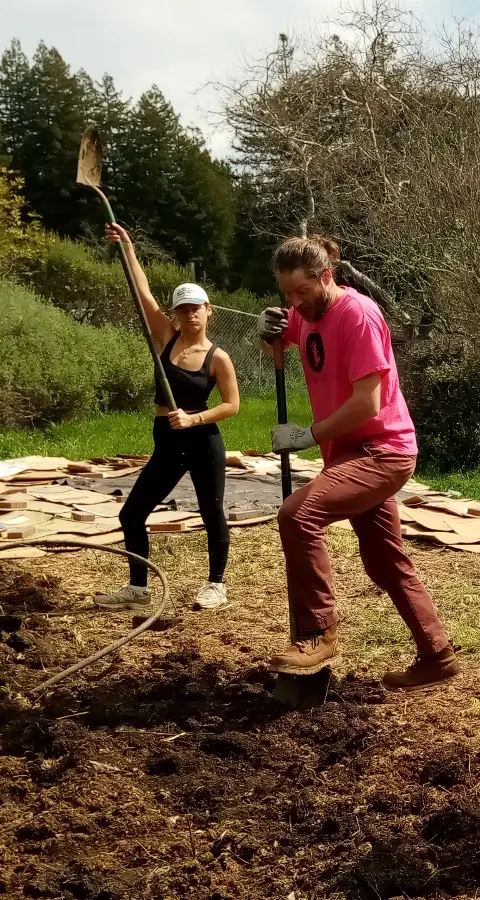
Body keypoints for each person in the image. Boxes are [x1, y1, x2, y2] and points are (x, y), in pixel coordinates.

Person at [256, 234, 458, 690]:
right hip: (347, 453)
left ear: (326, 276)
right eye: (285, 293)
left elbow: (367, 403)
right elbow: (281, 345)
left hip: (383, 452)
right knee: (385, 560)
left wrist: (306, 435)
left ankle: (316, 633)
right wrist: (269, 331)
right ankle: (437, 655)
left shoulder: (359, 316)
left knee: (298, 514)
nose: (294, 302)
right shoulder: (305, 314)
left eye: (301, 292)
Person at [95, 224, 241, 612]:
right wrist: (128, 247)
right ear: (175, 312)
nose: (189, 313)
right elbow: (142, 294)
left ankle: (215, 585)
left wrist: (194, 420)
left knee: (212, 512)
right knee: (132, 513)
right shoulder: (167, 337)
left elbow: (231, 406)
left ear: (209, 311)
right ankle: (137, 590)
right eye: (182, 308)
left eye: (196, 307)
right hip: (167, 439)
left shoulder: (218, 357)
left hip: (202, 441)